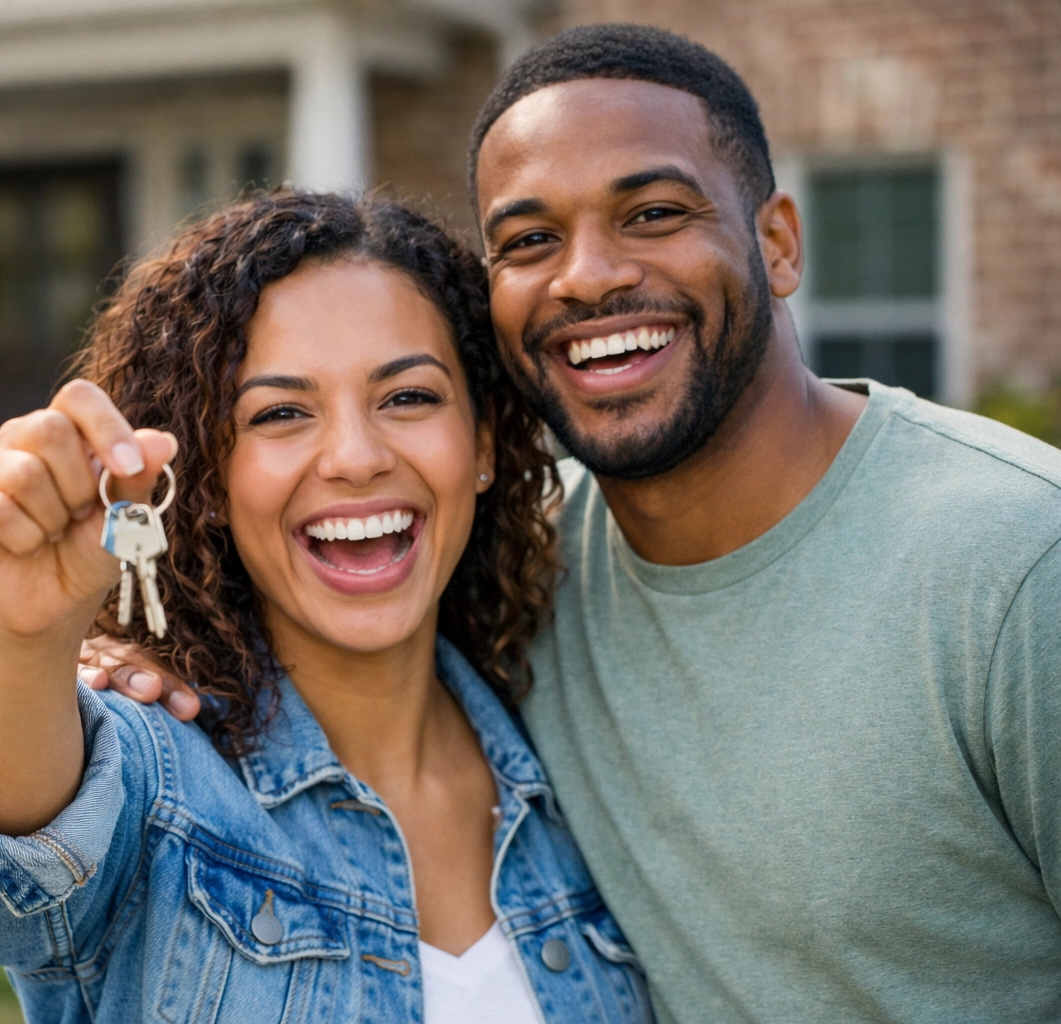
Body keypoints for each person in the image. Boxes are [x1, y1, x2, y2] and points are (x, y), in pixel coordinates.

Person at [84, 24, 1061, 1024]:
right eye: (529, 240)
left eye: (652, 211)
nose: (586, 275)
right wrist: (116, 644)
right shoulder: (526, 569)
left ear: (776, 243)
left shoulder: (1016, 562)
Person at [0, 192, 651, 1023]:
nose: (354, 457)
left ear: (484, 444)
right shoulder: (159, 772)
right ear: (209, 474)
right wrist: (25, 634)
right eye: (280, 413)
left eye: (408, 398)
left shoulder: (567, 759)